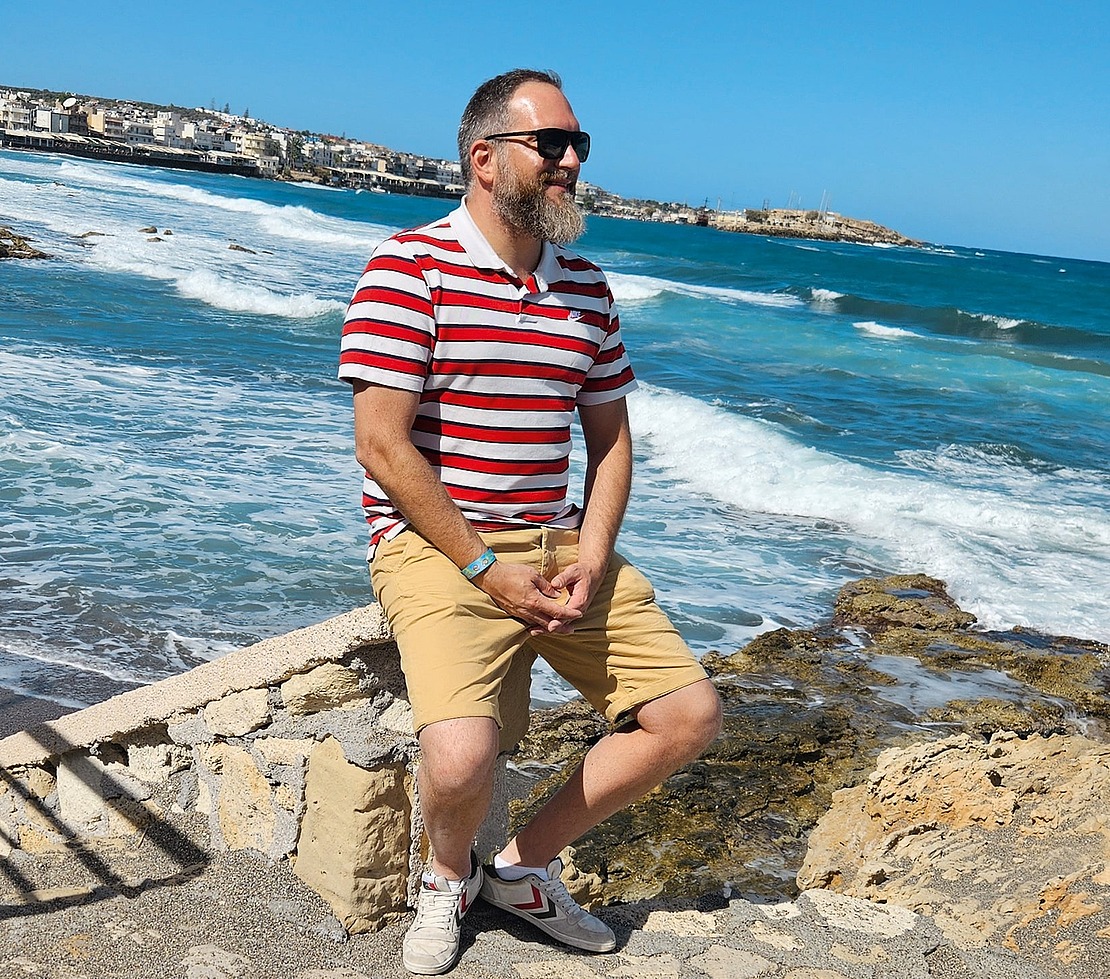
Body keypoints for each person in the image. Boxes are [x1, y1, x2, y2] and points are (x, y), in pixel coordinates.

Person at [338, 68, 722, 976]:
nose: (571, 161)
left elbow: (614, 444)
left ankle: (516, 870)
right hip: (439, 547)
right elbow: (383, 448)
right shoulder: (408, 268)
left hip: (558, 545)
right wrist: (483, 569)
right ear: (484, 157)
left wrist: (591, 554)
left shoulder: (586, 287)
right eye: (551, 144)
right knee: (463, 754)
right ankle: (443, 881)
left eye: (578, 144)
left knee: (688, 714)